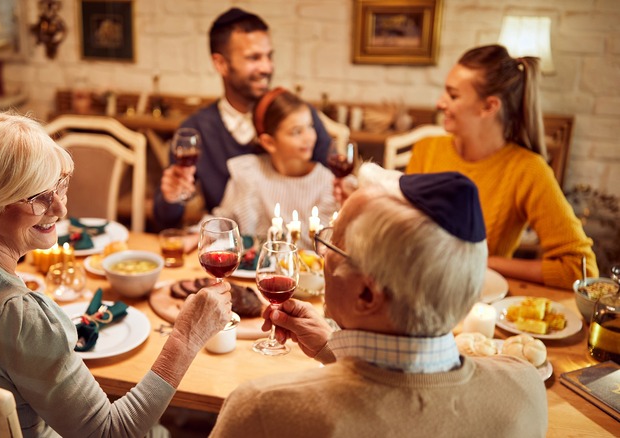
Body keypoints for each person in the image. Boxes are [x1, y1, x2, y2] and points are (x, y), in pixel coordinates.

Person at [0, 110, 233, 437]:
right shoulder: (19, 316)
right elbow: (112, 432)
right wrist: (186, 337)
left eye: (60, 184)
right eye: (37, 197)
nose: (61, 207)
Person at [211, 164, 547, 437]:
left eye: (331, 241)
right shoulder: (525, 387)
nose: (322, 253)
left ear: (366, 294)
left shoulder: (265, 409)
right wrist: (333, 350)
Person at [406, 44, 596, 289]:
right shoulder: (427, 149)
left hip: (473, 299)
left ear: (489, 106)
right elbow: (405, 226)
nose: (439, 103)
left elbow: (580, 268)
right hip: (414, 286)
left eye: (453, 96)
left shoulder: (528, 170)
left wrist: (483, 261)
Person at [154, 7, 332, 228]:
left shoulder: (300, 119)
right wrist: (171, 198)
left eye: (269, 56)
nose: (267, 67)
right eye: (254, 58)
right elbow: (166, 222)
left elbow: (333, 189)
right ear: (220, 63)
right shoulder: (197, 129)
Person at [210, 87, 337, 246]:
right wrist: (200, 235)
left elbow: (329, 243)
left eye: (310, 126)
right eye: (296, 131)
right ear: (269, 142)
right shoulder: (249, 172)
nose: (309, 137)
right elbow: (223, 222)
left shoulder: (327, 183)